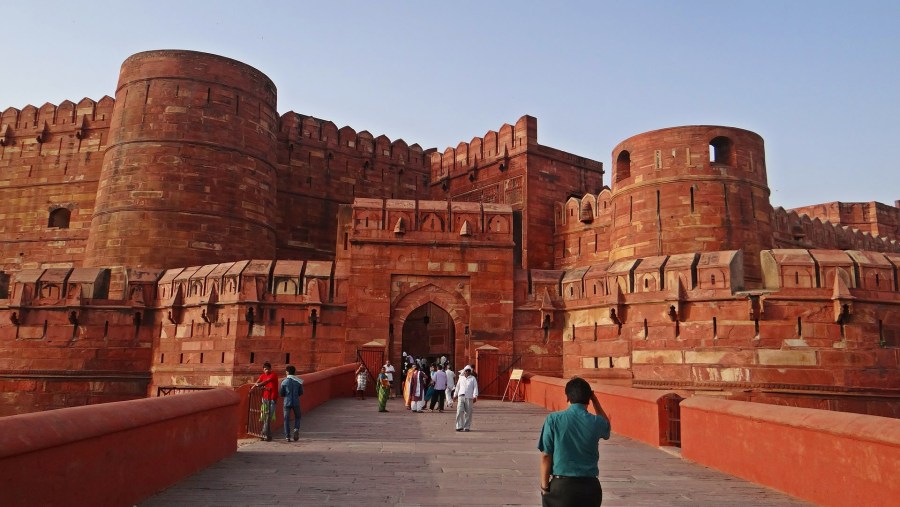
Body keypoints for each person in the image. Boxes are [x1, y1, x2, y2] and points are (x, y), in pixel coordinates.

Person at [537, 377, 611, 507]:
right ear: (588, 398)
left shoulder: (554, 419)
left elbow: (546, 455)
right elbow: (606, 427)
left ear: (567, 397)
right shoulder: (596, 422)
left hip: (562, 487)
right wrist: (595, 400)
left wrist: (544, 487)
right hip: (590, 488)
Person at [252, 362, 278, 441]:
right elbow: (258, 381)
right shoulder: (262, 376)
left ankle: (263, 433)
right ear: (263, 370)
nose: (267, 370)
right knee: (264, 416)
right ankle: (268, 435)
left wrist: (258, 385)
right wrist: (252, 388)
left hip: (272, 398)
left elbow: (266, 382)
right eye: (265, 369)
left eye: (268, 369)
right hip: (265, 398)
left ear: (271, 369)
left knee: (268, 416)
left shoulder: (273, 375)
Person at [279, 365, 304, 442]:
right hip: (296, 402)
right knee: (298, 417)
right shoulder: (298, 381)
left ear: (287, 372)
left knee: (286, 419)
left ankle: (287, 436)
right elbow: (301, 392)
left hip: (287, 402)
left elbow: (281, 393)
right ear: (294, 372)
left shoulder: (284, 382)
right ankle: (296, 429)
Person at [452, 365, 478, 431]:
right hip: (461, 396)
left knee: (468, 413)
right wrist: (455, 395)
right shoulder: (461, 378)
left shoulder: (473, 378)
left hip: (469, 397)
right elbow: (457, 387)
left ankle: (467, 427)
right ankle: (459, 426)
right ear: (464, 371)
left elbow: (475, 387)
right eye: (466, 371)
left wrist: (475, 396)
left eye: (469, 371)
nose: (467, 372)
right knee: (459, 411)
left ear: (470, 372)